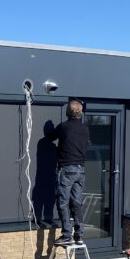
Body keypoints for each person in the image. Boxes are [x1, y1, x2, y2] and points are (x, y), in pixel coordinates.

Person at [49, 99, 90, 245]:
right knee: (76, 203)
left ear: (68, 112)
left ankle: (67, 235)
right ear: (81, 113)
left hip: (67, 170)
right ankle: (79, 235)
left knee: (62, 202)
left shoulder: (64, 127)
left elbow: (50, 136)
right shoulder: (85, 129)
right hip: (80, 170)